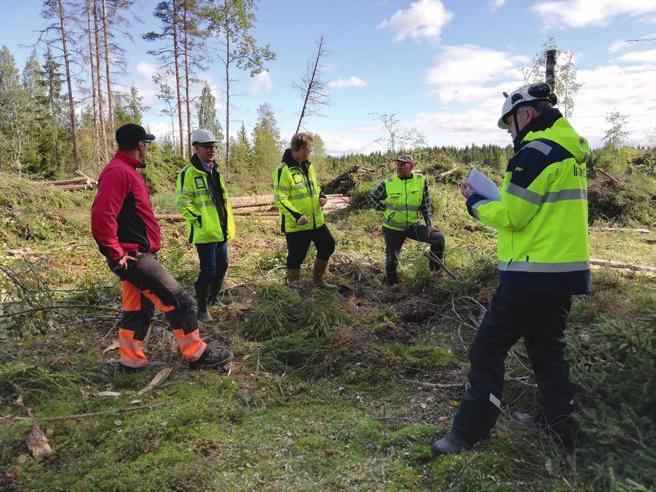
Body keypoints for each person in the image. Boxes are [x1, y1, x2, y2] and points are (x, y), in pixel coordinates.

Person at [432, 83, 591, 455]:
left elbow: (512, 216)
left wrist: (474, 201)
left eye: (509, 124)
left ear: (527, 114)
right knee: (548, 351)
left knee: (486, 350)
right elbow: (537, 209)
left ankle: (468, 433)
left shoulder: (534, 153)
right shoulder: (569, 150)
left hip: (529, 276)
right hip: (561, 275)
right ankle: (557, 429)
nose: (508, 132)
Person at [91, 123, 233, 371]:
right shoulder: (119, 172)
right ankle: (197, 354)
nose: (146, 147)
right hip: (133, 255)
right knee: (180, 301)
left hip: (136, 253)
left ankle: (130, 361)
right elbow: (102, 216)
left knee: (137, 309)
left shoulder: (126, 170)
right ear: (139, 145)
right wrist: (116, 253)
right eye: (145, 143)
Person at [176, 129, 235, 322]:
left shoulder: (215, 170)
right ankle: (201, 309)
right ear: (196, 148)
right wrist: (200, 219)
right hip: (205, 232)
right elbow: (183, 203)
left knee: (222, 266)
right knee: (208, 270)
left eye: (214, 146)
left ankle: (213, 299)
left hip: (221, 229)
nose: (212, 150)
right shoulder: (188, 173)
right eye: (207, 147)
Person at [273, 132, 337, 288]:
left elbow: (315, 187)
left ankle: (318, 280)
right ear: (301, 148)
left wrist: (322, 196)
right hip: (297, 224)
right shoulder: (284, 170)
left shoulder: (308, 166)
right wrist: (297, 215)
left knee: (328, 246)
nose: (311, 151)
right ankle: (294, 289)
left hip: (316, 221)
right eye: (310, 148)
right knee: (296, 258)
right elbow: (280, 198)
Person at [369, 155, 445, 285]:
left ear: (411, 166)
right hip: (392, 228)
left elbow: (425, 203)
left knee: (438, 239)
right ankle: (393, 285)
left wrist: (429, 224)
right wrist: (384, 208)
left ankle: (435, 275)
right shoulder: (389, 183)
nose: (399, 167)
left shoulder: (420, 181)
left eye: (403, 164)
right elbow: (372, 197)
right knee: (392, 259)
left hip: (412, 226)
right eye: (397, 164)